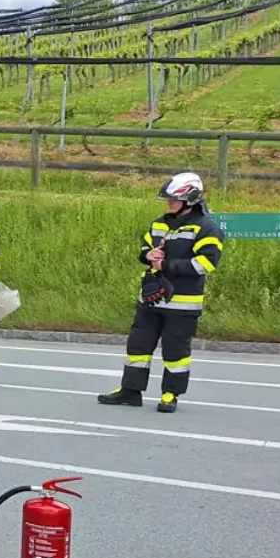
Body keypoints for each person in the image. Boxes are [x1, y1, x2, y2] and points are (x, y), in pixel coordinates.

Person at [98, 172, 223, 413]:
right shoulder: (159, 223)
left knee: (175, 351)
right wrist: (148, 255)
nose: (169, 203)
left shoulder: (206, 228)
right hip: (151, 300)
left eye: (174, 199)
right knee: (138, 346)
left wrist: (165, 265)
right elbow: (145, 247)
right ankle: (130, 390)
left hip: (182, 304)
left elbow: (205, 264)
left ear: (190, 199)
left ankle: (170, 394)